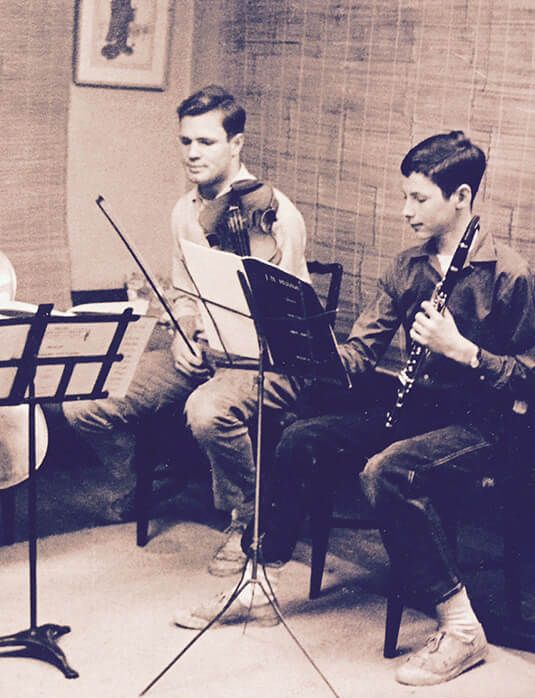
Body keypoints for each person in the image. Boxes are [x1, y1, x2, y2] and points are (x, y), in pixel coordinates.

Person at [201, 131, 535, 686]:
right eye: (405, 196)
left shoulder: (509, 274)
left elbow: (529, 375)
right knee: (302, 438)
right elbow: (359, 356)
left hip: (486, 425)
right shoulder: (407, 267)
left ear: (461, 198)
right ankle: (260, 580)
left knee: (389, 470)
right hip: (420, 411)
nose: (406, 210)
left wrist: (464, 351)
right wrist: (302, 347)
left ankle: (461, 628)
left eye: (419, 198)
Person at [63, 85, 309, 582]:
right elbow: (184, 293)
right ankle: (138, 482)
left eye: (206, 142)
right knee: (85, 402)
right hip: (202, 353)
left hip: (263, 360)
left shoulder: (275, 213)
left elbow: (288, 315)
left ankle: (250, 519)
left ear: (236, 144)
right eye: (186, 141)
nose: (192, 153)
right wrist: (184, 331)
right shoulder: (184, 211)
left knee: (206, 410)